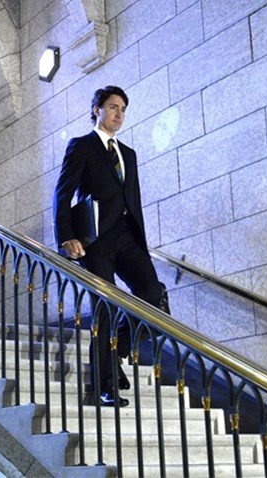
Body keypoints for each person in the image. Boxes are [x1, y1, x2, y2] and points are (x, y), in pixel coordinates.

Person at [53, 85, 168, 407]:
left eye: (123, 109)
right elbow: (63, 194)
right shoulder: (82, 147)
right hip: (97, 240)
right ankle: (104, 386)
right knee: (105, 307)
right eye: (113, 107)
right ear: (97, 110)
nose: (119, 114)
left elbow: (133, 200)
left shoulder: (128, 154)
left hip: (128, 237)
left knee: (151, 293)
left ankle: (116, 349)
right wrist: (66, 237)